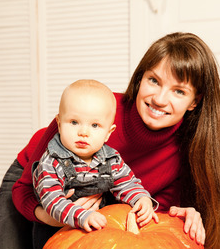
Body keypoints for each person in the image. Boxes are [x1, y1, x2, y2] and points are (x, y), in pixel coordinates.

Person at [0, 32, 220, 249]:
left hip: (91, 203)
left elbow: (151, 211)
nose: (159, 98)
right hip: (37, 183)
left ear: (195, 101)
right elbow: (24, 189)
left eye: (178, 91)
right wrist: (47, 216)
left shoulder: (191, 149)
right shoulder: (91, 108)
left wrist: (183, 213)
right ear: (140, 78)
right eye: (153, 81)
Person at [33, 79, 158, 232]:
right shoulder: (51, 162)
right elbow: (51, 199)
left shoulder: (111, 160)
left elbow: (127, 184)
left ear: (108, 133)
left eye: (94, 125)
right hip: (53, 229)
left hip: (95, 224)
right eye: (74, 122)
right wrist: (81, 215)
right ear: (59, 124)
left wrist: (141, 198)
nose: (83, 132)